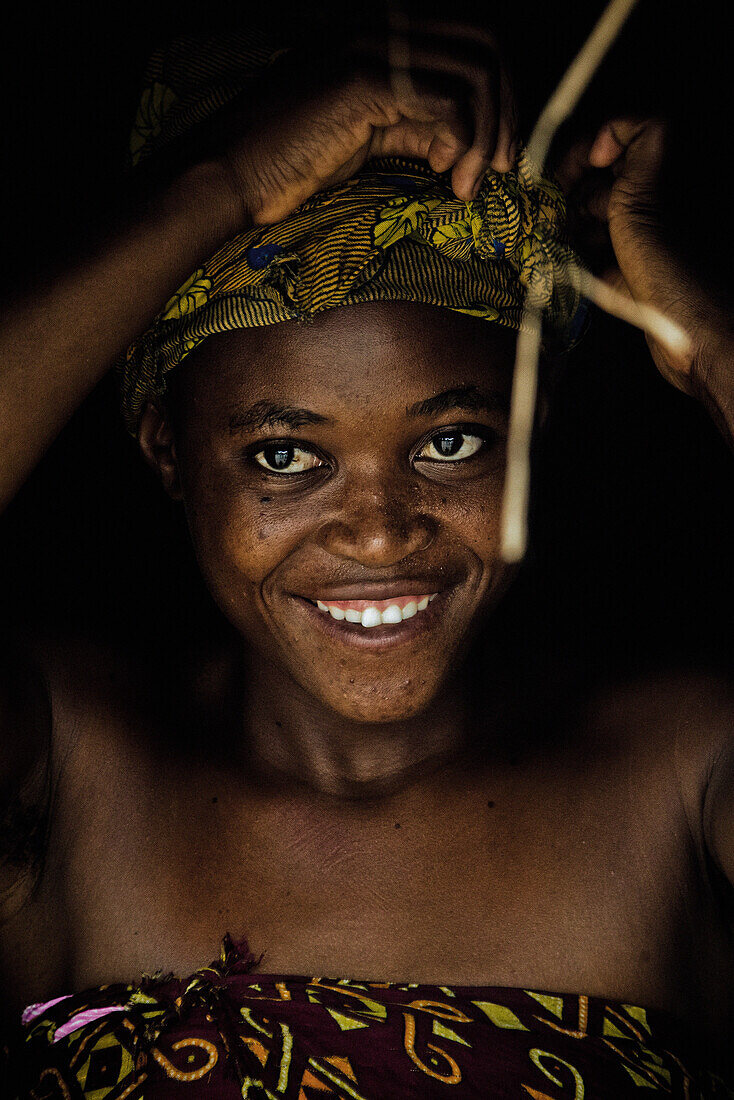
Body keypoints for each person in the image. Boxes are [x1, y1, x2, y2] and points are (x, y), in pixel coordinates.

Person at [1, 10, 734, 1098]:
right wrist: (222, 182)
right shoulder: (68, 768)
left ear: (527, 439)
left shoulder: (681, 771)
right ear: (166, 450)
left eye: (449, 443)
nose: (382, 531)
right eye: (285, 454)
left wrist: (712, 342)